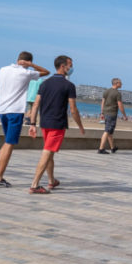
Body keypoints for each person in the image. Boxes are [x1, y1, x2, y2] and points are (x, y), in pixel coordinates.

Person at [0, 51, 49, 187]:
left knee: (7, 141)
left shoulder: (3, 70)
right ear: (27, 62)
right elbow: (46, 72)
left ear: (17, 59)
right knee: (10, 144)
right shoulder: (25, 73)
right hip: (15, 111)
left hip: (2, 110)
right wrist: (31, 65)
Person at [26, 56, 85, 194]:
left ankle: (52, 181)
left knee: (49, 153)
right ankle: (34, 185)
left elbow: (35, 104)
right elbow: (73, 109)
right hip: (57, 124)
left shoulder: (44, 83)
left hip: (44, 123)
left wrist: (33, 123)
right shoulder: (69, 86)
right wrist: (80, 126)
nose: (71, 68)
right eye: (70, 65)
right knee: (46, 153)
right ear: (63, 66)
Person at [97, 77, 127, 154]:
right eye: (120, 83)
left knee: (109, 131)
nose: (121, 84)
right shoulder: (117, 93)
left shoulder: (106, 91)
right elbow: (120, 105)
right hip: (112, 114)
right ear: (116, 83)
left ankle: (113, 147)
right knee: (107, 131)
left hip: (106, 113)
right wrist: (124, 115)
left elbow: (102, 103)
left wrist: (102, 113)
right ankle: (101, 149)